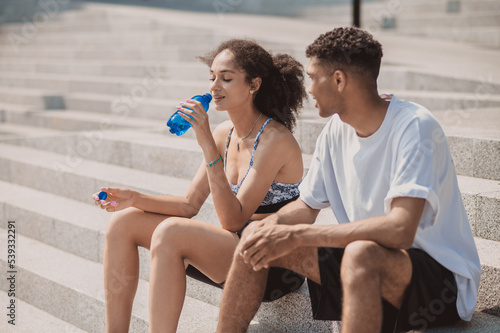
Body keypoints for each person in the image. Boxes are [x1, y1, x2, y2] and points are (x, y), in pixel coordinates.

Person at [217, 27, 481, 333]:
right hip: (368, 261)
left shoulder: (415, 127)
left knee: (360, 253)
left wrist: (300, 235)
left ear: (339, 80)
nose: (309, 88)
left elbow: (399, 231)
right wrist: (269, 227)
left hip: (439, 278)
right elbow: (306, 205)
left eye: (314, 77)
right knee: (254, 237)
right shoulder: (335, 131)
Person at [92, 39, 308, 333]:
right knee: (123, 223)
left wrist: (206, 142)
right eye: (212, 77)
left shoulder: (274, 140)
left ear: (254, 85)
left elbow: (232, 219)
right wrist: (134, 198)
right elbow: (188, 205)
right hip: (234, 249)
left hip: (275, 262)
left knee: (171, 232)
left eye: (226, 78)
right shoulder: (225, 132)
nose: (214, 87)